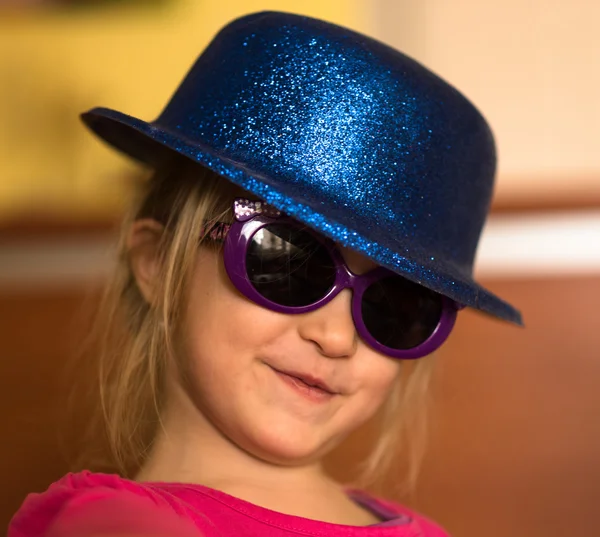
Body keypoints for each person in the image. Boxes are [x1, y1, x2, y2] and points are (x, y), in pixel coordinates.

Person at [8, 11, 522, 537]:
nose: (336, 337)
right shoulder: (117, 527)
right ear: (159, 264)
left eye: (395, 308)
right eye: (288, 264)